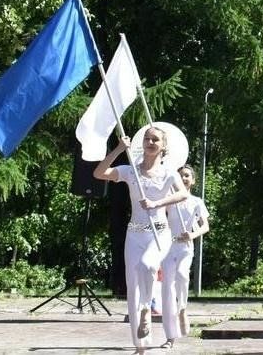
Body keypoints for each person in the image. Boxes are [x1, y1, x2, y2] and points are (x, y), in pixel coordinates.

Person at [95, 126, 188, 355]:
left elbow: (183, 194)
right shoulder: (130, 171)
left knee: (148, 265)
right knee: (133, 287)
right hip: (134, 234)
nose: (150, 142)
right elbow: (99, 173)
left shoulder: (169, 173)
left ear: (163, 146)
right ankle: (140, 345)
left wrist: (158, 203)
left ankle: (147, 309)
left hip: (159, 232)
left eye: (155, 139)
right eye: (147, 138)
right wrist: (118, 149)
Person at [159, 164, 210, 347]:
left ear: (193, 180)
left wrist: (193, 234)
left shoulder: (197, 201)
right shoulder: (169, 200)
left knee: (182, 275)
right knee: (167, 288)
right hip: (167, 247)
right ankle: (170, 336)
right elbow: (158, 217)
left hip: (185, 246)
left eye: (187, 175)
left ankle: (182, 309)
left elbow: (205, 226)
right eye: (181, 175)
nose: (184, 178)